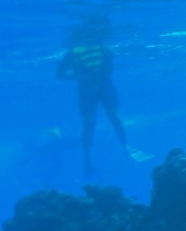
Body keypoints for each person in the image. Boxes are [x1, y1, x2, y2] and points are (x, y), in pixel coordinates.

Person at [55, 20, 136, 174]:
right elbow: (59, 74)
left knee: (113, 117)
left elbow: (112, 63)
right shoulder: (73, 52)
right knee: (90, 124)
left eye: (92, 36)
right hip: (88, 91)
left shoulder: (105, 48)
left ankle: (125, 146)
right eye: (86, 36)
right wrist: (78, 76)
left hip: (104, 87)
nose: (90, 39)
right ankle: (88, 159)